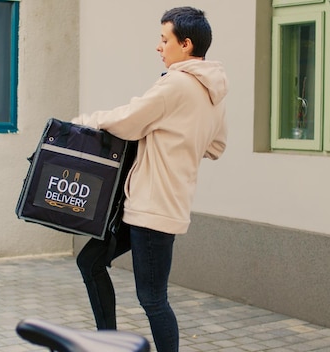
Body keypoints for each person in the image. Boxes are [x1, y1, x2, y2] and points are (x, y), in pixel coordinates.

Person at [73, 6, 228, 352]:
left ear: (185, 44)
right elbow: (216, 145)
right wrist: (181, 142)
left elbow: (130, 120)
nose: (159, 47)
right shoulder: (213, 92)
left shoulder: (176, 83)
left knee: (153, 299)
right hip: (149, 203)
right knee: (90, 261)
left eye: (164, 39)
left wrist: (86, 121)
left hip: (154, 208)